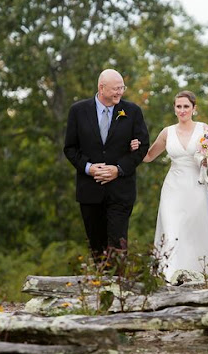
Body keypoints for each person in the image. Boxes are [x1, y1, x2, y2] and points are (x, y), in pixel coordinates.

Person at [133, 90, 208, 281]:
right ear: (174, 109)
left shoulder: (205, 130)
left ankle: (205, 273)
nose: (182, 110)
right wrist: (134, 147)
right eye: (178, 106)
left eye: (186, 106)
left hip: (196, 186)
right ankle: (171, 276)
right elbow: (148, 157)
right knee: (173, 230)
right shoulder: (167, 132)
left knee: (197, 229)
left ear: (194, 109)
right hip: (173, 188)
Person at [63, 69, 149, 258]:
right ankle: (101, 285)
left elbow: (142, 147)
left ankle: (118, 284)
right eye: (115, 89)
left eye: (122, 88)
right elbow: (70, 148)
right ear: (101, 88)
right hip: (90, 191)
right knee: (97, 249)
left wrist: (118, 169)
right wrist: (89, 168)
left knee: (118, 246)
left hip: (120, 191)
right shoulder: (78, 111)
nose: (120, 92)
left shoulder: (133, 112)